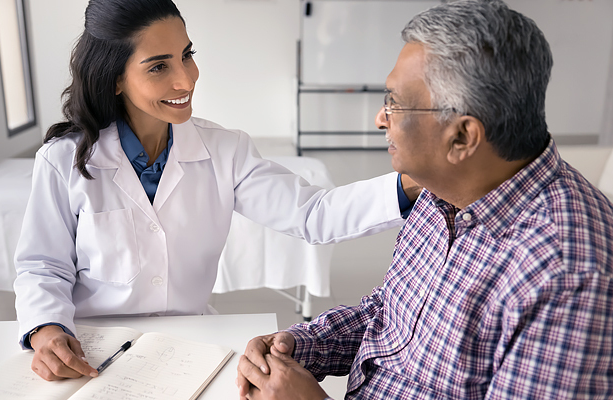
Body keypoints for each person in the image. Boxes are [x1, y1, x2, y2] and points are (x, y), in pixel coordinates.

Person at [13, 0, 421, 382]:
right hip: (93, 351)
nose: (185, 78)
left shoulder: (225, 151)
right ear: (116, 79)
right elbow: (43, 265)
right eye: (158, 67)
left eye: (187, 55)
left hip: (190, 343)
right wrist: (47, 329)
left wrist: (414, 181)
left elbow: (313, 214)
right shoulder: (63, 160)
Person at [237, 1, 613, 399]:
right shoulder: (442, 190)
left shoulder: (570, 274)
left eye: (395, 102)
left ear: (462, 137)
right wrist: (301, 344)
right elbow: (392, 317)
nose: (380, 118)